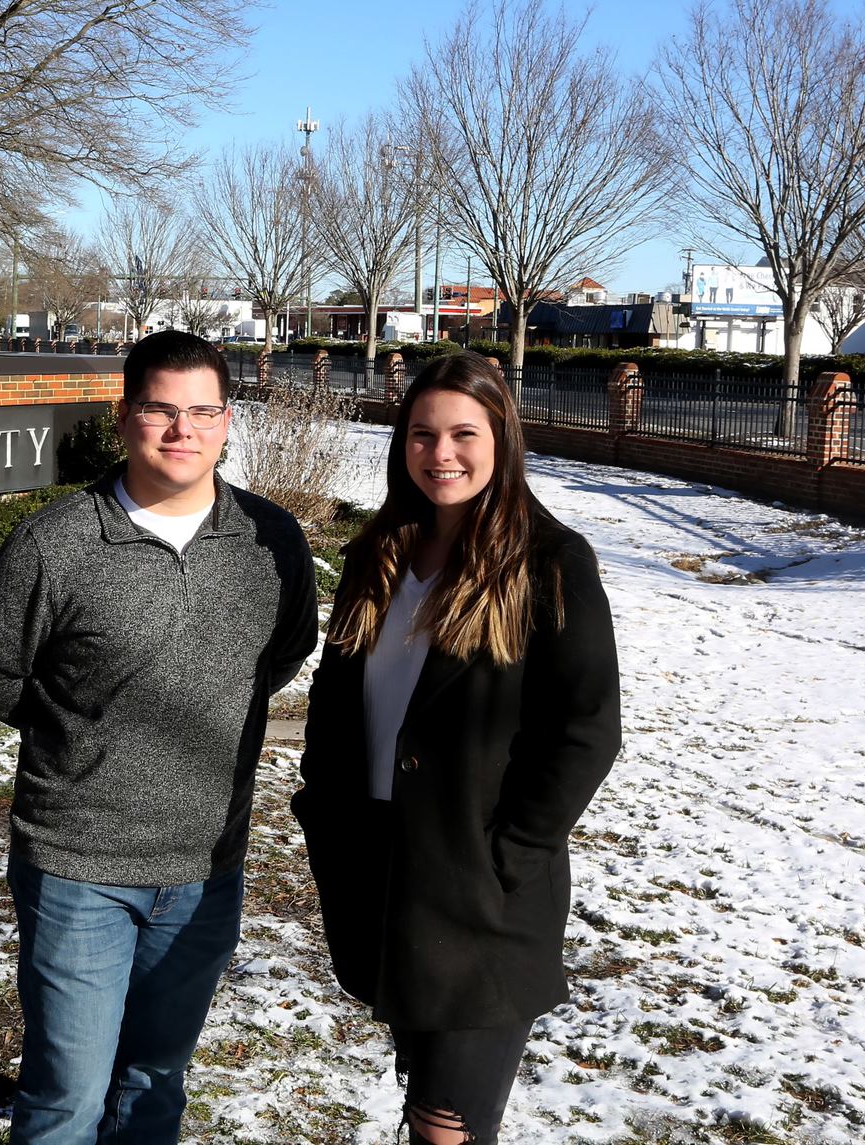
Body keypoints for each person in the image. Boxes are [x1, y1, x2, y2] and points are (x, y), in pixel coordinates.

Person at [0, 330, 318, 1144]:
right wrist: (75, 727)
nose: (183, 429)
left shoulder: (272, 542)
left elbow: (285, 652)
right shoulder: (57, 542)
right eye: (160, 409)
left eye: (203, 411)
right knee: (67, 1096)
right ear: (123, 418)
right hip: (78, 864)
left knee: (155, 1079)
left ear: (227, 421)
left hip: (205, 867)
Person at [293, 352, 622, 1143]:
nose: (441, 453)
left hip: (483, 899)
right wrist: (326, 814)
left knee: (448, 1128)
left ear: (501, 439)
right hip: (383, 880)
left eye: (463, 434)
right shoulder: (380, 552)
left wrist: (509, 853)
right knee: (423, 1109)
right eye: (422, 433)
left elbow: (586, 727)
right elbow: (335, 704)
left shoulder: (549, 561)